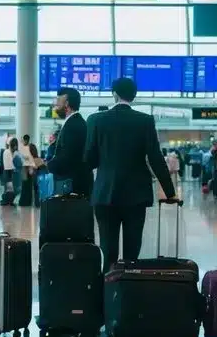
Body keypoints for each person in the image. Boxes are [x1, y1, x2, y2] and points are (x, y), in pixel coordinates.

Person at [83, 77, 177, 270]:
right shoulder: (144, 121)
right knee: (132, 251)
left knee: (108, 250)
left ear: (114, 94)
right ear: (133, 96)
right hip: (136, 194)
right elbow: (156, 158)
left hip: (105, 193)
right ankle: (129, 281)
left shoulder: (95, 120)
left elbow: (89, 159)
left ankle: (109, 284)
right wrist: (170, 192)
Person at [47, 89, 90, 199]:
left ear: (67, 103)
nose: (55, 104)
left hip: (73, 186)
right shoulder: (73, 123)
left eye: (58, 100)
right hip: (71, 184)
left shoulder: (74, 125)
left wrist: (46, 165)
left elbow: (67, 157)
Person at [0, 137, 21, 205]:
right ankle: (7, 200)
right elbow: (10, 164)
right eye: (14, 145)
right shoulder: (7, 152)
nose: (15, 147)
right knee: (10, 188)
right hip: (9, 171)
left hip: (9, 171)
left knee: (11, 188)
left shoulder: (11, 152)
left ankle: (8, 200)